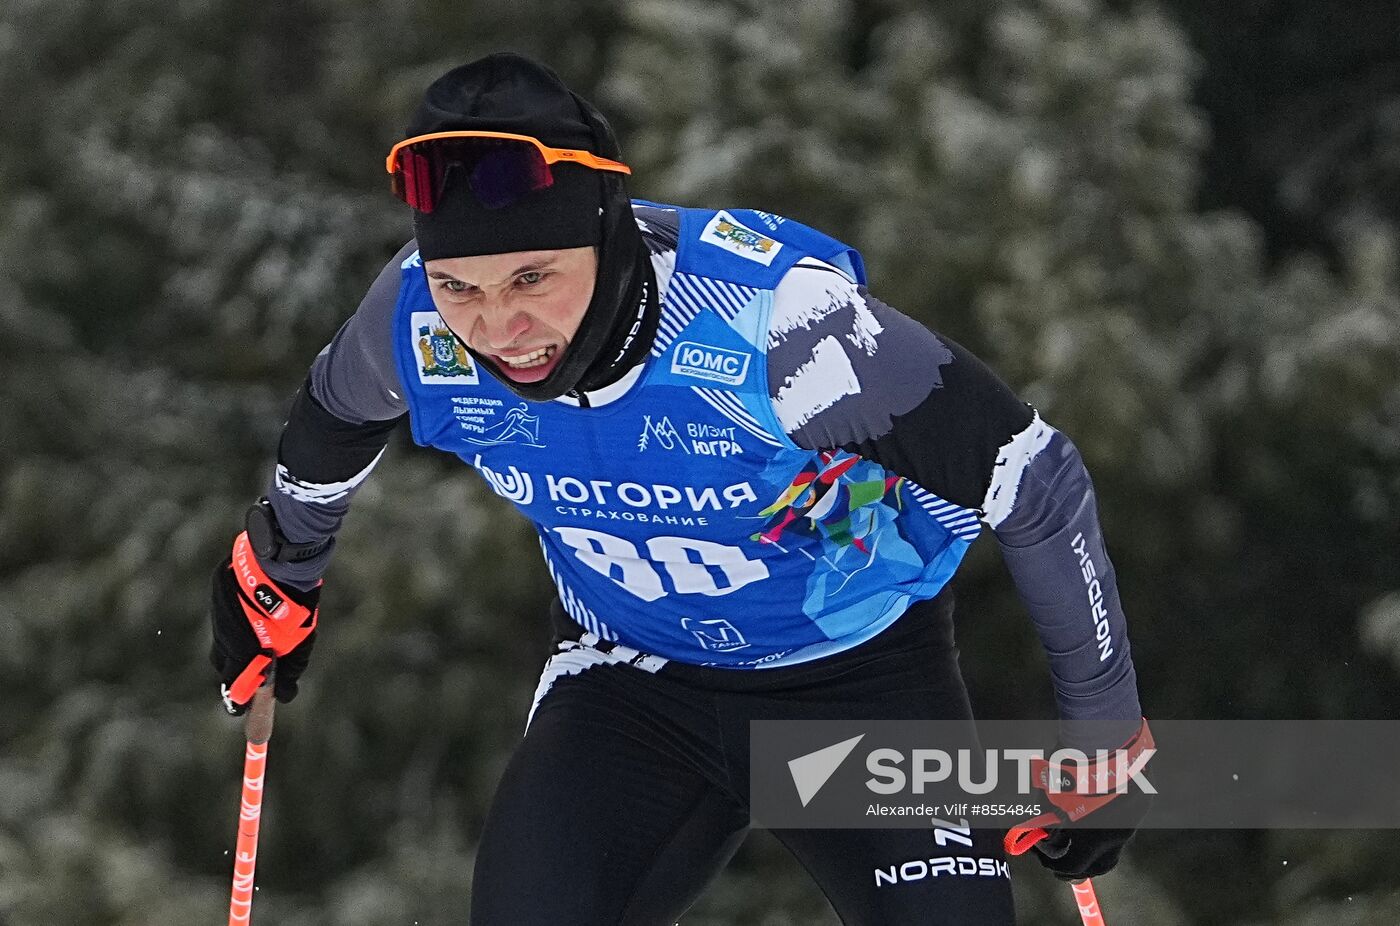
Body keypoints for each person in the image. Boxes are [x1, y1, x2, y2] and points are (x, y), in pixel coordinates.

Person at [208, 52, 1150, 925]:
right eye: (463, 288)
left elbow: (1035, 478)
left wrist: (1103, 732)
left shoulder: (778, 328)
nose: (498, 326)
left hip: (859, 690)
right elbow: (336, 415)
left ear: (606, 230)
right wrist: (282, 567)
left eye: (533, 276)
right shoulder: (414, 316)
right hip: (628, 686)